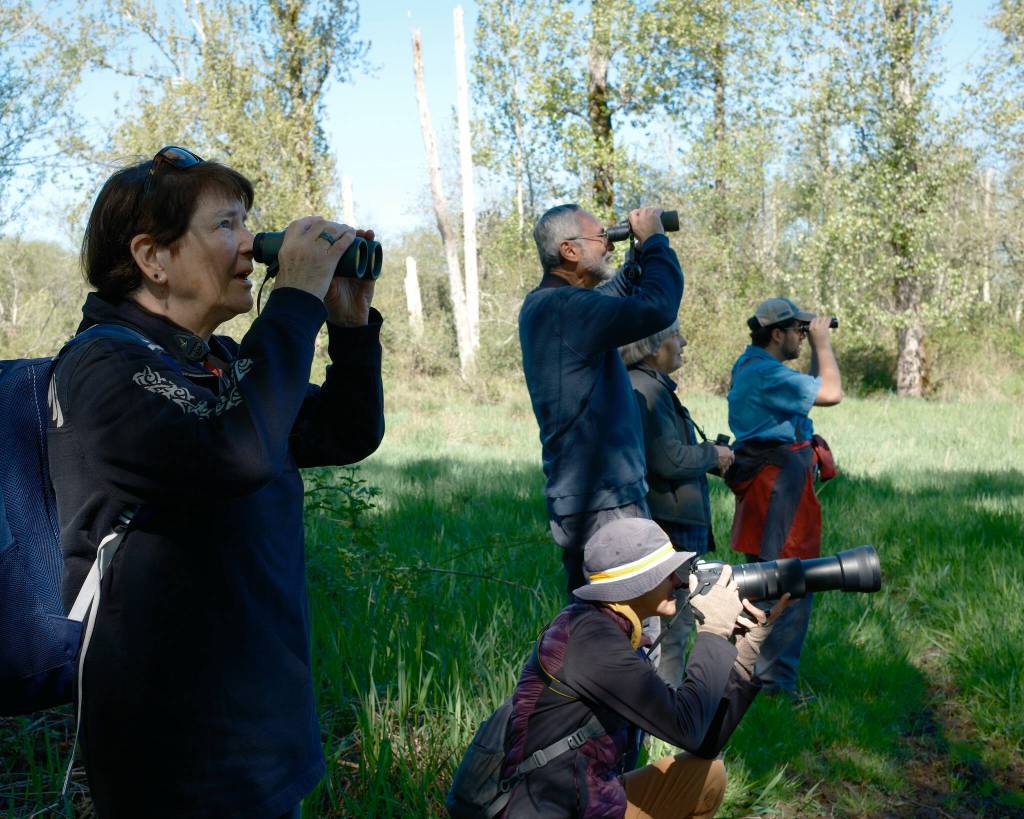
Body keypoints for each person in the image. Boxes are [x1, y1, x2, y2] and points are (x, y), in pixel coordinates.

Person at [48, 146, 385, 818]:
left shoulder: (219, 361)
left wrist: (347, 326)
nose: (250, 246)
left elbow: (344, 433)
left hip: (262, 734)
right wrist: (291, 297)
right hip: (178, 760)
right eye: (228, 224)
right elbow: (237, 452)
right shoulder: (101, 368)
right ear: (154, 258)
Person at [499, 517, 790, 818]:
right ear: (636, 583)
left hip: (590, 796)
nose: (677, 581)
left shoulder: (614, 631)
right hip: (550, 808)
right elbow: (686, 728)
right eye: (667, 573)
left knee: (706, 775)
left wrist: (744, 652)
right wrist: (713, 630)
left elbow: (702, 742)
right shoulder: (593, 642)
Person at [519, 204, 683, 599]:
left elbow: (618, 296)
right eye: (601, 238)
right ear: (569, 251)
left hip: (593, 497)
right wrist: (656, 241)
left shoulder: (548, 305)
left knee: (601, 630)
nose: (609, 244)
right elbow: (657, 307)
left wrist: (638, 256)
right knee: (633, 627)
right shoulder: (566, 308)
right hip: (603, 501)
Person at [724, 297, 842, 703]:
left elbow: (806, 394)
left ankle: (752, 677)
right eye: (797, 331)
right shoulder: (767, 374)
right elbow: (831, 392)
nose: (802, 337)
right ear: (777, 334)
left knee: (769, 581)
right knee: (788, 583)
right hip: (778, 488)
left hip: (773, 484)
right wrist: (823, 344)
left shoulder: (754, 366)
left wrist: (811, 345)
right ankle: (775, 688)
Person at [620, 322, 734, 685]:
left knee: (672, 629)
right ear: (654, 346)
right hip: (670, 532)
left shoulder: (649, 387)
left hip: (672, 529)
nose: (683, 341)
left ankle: (661, 719)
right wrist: (712, 453)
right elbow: (667, 460)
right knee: (669, 631)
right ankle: (663, 721)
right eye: (676, 334)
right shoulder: (647, 390)